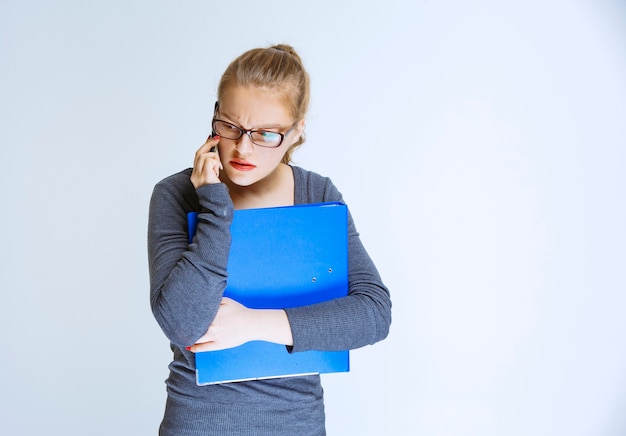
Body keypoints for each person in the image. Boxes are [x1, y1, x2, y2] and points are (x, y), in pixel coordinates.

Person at [147, 44, 392, 436]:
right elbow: (182, 324)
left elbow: (373, 314)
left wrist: (252, 324)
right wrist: (214, 205)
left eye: (266, 134)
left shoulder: (317, 194)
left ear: (297, 131)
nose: (243, 148)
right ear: (214, 117)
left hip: (296, 424)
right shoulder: (177, 194)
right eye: (230, 126)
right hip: (198, 423)